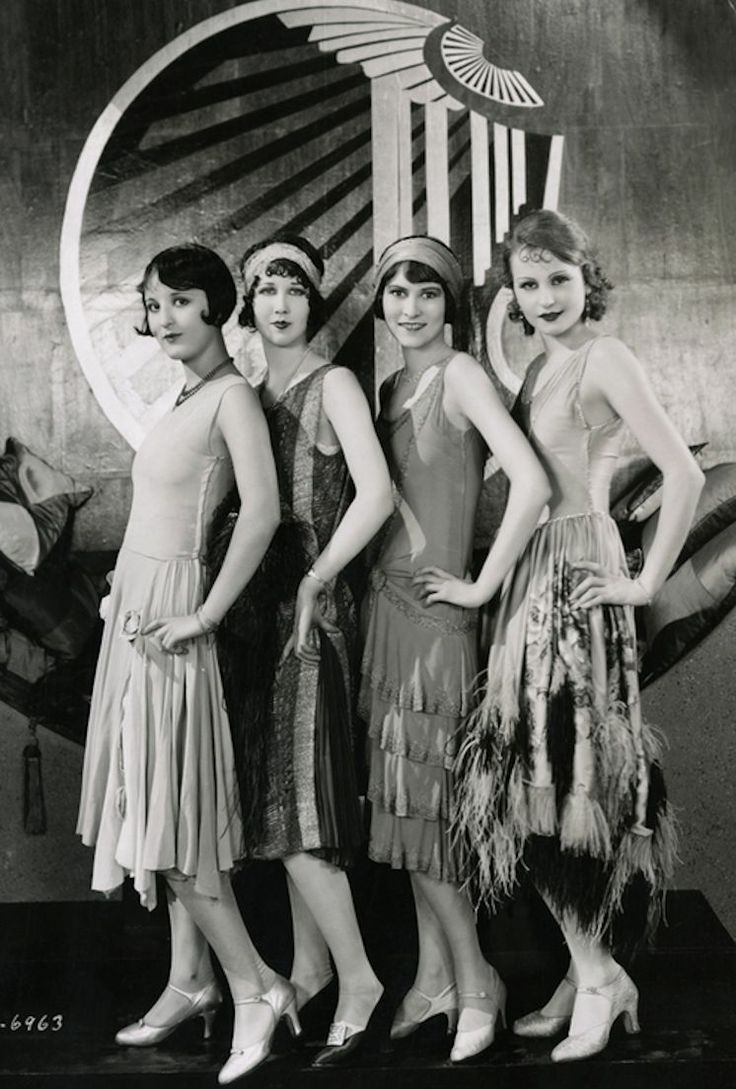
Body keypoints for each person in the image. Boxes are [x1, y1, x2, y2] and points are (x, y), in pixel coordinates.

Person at [452, 209, 704, 1062]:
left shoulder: (606, 357)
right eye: (529, 283)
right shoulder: (541, 366)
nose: (546, 295)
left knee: (569, 776)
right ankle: (585, 971)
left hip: (573, 573)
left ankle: (597, 976)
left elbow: (686, 471)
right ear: (513, 297)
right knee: (538, 780)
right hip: (534, 573)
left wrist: (643, 581)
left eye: (560, 277)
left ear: (586, 278)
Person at [76, 243, 297, 1086]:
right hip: (136, 613)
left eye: (176, 301)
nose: (161, 317)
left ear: (214, 305)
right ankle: (191, 979)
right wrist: (118, 592)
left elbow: (265, 511)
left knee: (172, 821)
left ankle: (255, 988)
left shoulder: (234, 395)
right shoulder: (188, 393)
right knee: (155, 806)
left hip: (176, 621)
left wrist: (203, 613)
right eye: (152, 303)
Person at [359, 236, 550, 1063]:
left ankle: (478, 978)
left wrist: (478, 584)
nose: (410, 308)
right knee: (405, 805)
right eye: (397, 294)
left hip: (438, 623)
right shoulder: (391, 383)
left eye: (426, 293)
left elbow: (533, 484)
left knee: (432, 811)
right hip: (384, 611)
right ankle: (435, 975)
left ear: (450, 303)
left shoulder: (462, 375)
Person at [207, 235, 394, 1068]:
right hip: (258, 608)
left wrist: (318, 579)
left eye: (294, 288)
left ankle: (360, 978)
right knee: (275, 798)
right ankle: (312, 966)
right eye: (265, 288)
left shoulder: (334, 383)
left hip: (314, 607)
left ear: (313, 299)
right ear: (248, 300)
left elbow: (377, 494)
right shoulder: (246, 392)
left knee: (298, 805)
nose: (279, 302)